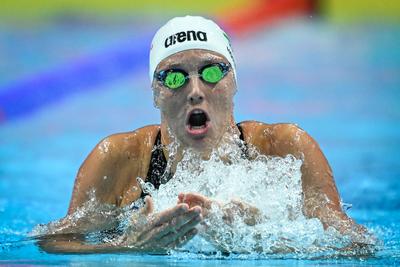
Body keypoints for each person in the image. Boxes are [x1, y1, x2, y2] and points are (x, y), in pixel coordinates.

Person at [37, 16, 370, 254]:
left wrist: (255, 239)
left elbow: (358, 248)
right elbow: (54, 243)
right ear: (155, 93)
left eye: (211, 71)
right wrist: (129, 247)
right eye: (174, 78)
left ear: (234, 82)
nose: (195, 90)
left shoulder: (286, 149)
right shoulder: (118, 159)